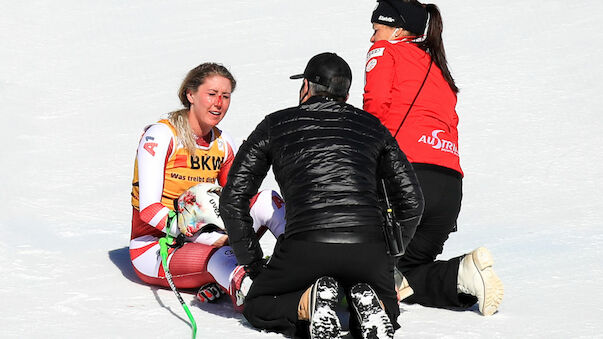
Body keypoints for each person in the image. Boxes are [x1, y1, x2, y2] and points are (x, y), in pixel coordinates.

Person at [219, 52, 424, 339]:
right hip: (368, 247)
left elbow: (233, 199)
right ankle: (369, 302)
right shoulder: (373, 127)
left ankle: (306, 303)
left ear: (306, 87)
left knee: (260, 305)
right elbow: (412, 200)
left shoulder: (275, 124)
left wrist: (253, 262)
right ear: (347, 94)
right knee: (387, 306)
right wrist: (388, 255)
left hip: (306, 245)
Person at [363, 0, 504, 316]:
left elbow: (375, 110)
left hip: (405, 177)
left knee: (356, 249)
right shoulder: (439, 68)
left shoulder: (386, 52)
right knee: (409, 271)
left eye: (376, 29)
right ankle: (462, 276)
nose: (372, 38)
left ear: (397, 29)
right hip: (448, 186)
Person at [129, 62, 285, 310]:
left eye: (225, 96)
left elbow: (238, 201)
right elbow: (148, 210)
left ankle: (305, 260)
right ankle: (268, 302)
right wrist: (204, 236)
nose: (219, 103)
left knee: (267, 200)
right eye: (211, 94)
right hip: (156, 248)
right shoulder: (161, 135)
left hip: (208, 237)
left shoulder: (224, 143)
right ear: (190, 95)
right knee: (225, 256)